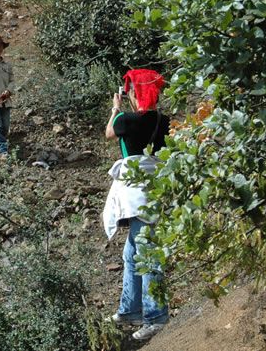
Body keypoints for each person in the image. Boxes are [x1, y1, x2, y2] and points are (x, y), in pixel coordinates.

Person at [102, 68, 170, 341]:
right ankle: (130, 309)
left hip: (135, 193)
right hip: (153, 187)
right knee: (133, 253)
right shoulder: (162, 121)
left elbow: (109, 132)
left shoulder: (126, 120)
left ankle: (156, 316)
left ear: (135, 92)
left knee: (146, 255)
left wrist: (115, 109)